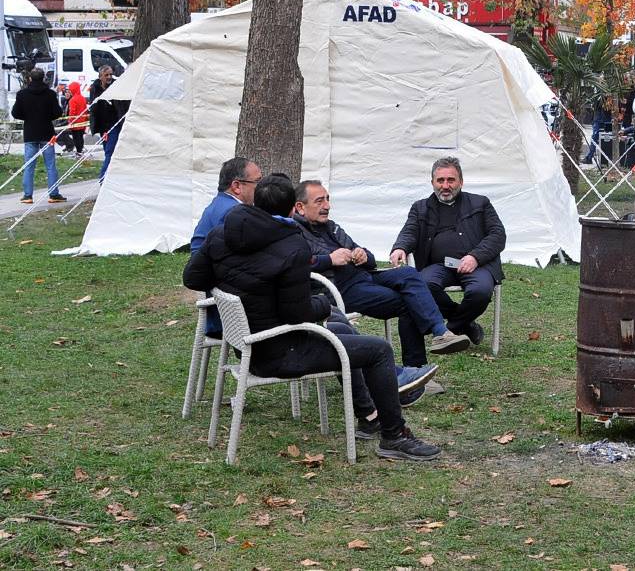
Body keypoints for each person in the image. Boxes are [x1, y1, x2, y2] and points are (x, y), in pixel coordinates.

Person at [183, 173, 442, 461]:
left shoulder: (221, 233)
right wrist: (320, 304)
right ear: (292, 209)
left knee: (344, 336)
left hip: (247, 344)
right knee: (378, 349)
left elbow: (193, 276)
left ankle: (369, 417)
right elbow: (298, 314)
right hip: (281, 351)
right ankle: (394, 436)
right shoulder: (291, 246)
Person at [293, 180, 471, 402]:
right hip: (339, 291)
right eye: (319, 201)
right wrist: (328, 259)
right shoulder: (293, 232)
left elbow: (367, 256)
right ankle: (412, 373)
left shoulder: (331, 226)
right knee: (409, 303)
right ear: (300, 207)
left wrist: (362, 255)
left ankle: (440, 334)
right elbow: (296, 264)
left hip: (364, 277)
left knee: (408, 274)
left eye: (328, 199)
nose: (327, 205)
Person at [390, 157, 506, 344]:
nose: (445, 185)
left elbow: (498, 235)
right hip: (438, 266)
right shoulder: (420, 208)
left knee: (480, 291)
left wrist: (475, 257)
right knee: (422, 286)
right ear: (432, 183)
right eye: (440, 180)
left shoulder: (480, 203)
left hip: (477, 266)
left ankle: (451, 328)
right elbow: (409, 231)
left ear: (461, 181)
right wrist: (400, 247)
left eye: (451, 180)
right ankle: (466, 325)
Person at [189, 157, 263, 337]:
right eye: (258, 182)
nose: (262, 188)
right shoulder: (232, 213)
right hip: (226, 312)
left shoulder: (223, 204)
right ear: (237, 186)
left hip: (222, 299)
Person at [12, 68, 66, 205]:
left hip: (30, 132)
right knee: (50, 165)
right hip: (47, 132)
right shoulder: (50, 94)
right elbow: (57, 112)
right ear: (43, 79)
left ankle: (27, 195)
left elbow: (15, 113)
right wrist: (47, 116)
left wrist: (28, 117)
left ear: (30, 78)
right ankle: (54, 194)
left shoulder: (22, 94)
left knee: (29, 165)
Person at [89, 65, 129, 181]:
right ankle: (109, 178)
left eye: (111, 74)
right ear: (100, 76)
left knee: (110, 152)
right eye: (106, 75)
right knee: (107, 150)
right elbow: (93, 106)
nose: (109, 77)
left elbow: (124, 104)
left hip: (114, 124)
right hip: (103, 126)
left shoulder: (117, 85)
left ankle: (103, 178)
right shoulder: (95, 88)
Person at [64, 82, 89, 158]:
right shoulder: (83, 98)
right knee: (80, 137)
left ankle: (78, 152)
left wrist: (70, 122)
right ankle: (80, 151)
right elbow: (85, 110)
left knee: (76, 138)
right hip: (82, 123)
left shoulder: (72, 100)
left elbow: (72, 113)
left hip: (75, 124)